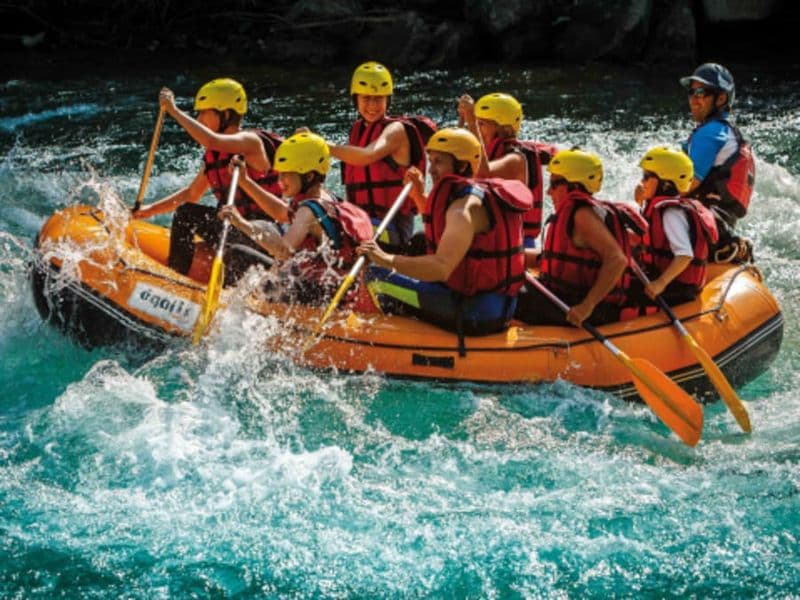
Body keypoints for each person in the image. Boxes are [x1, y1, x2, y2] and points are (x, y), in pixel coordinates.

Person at [357, 128, 533, 347]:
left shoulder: (463, 210)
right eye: (430, 161)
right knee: (420, 240)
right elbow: (445, 230)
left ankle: (385, 336)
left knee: (375, 275)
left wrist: (384, 258)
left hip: (474, 314)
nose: (431, 169)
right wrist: (419, 194)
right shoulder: (476, 194)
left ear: (462, 165)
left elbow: (441, 268)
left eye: (439, 162)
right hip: (493, 306)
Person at [133, 79, 282, 281]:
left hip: (261, 237)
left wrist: (174, 111)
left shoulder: (250, 142)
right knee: (186, 211)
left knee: (187, 214)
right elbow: (191, 193)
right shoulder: (216, 155)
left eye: (204, 112)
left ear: (226, 114)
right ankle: (179, 278)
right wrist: (149, 210)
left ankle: (176, 279)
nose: (199, 118)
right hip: (234, 230)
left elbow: (210, 139)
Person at [219, 132, 374, 306]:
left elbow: (283, 251)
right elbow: (282, 212)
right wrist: (245, 181)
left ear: (308, 176)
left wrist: (241, 223)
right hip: (334, 289)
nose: (280, 181)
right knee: (277, 266)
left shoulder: (308, 211)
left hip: (321, 296)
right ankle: (248, 302)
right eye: (280, 174)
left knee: (238, 254)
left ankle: (235, 309)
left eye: (286, 175)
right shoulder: (324, 197)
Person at [515, 148, 646, 327]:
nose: (548, 192)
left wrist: (587, 306)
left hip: (586, 308)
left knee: (511, 291)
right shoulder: (581, 212)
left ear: (574, 186)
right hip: (569, 296)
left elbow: (617, 260)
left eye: (554, 184)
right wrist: (511, 256)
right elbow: (550, 258)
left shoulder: (581, 215)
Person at [330, 61, 435, 250]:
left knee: (342, 222)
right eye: (366, 98)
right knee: (325, 213)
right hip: (366, 222)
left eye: (378, 99)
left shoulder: (396, 130)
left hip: (392, 228)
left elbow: (367, 155)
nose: (372, 105)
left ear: (388, 100)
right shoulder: (357, 130)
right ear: (356, 99)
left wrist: (323, 145)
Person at [457, 92, 558, 259]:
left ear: (502, 129)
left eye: (482, 124)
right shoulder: (485, 152)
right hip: (493, 235)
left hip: (518, 243)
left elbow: (483, 173)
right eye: (477, 124)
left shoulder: (516, 159)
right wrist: (463, 121)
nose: (477, 130)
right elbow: (456, 161)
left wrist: (471, 121)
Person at [680, 63, 755, 262]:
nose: (694, 99)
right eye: (691, 92)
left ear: (721, 98)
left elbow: (686, 185)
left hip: (703, 226)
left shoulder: (710, 133)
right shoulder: (727, 131)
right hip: (721, 223)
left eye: (702, 92)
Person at [630, 146, 718, 308]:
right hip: (664, 277)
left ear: (666, 185)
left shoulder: (671, 214)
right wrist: (640, 202)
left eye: (647, 176)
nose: (642, 182)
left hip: (677, 287)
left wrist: (660, 283)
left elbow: (685, 255)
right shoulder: (661, 208)